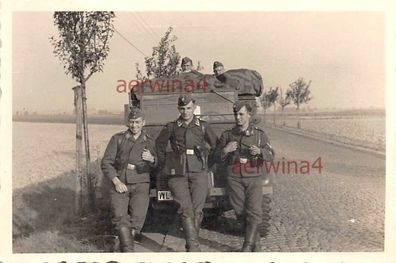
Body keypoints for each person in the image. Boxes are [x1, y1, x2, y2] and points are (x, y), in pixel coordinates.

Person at [155, 94, 218, 252]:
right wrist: (165, 163)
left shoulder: (203, 126)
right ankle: (193, 247)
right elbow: (159, 145)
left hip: (199, 172)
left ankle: (191, 245)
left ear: (194, 107)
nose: (185, 111)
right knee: (185, 208)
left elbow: (216, 147)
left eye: (188, 108)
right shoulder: (171, 126)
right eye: (182, 108)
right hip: (178, 173)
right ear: (178, 109)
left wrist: (208, 165)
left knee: (197, 210)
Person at [215, 101, 274, 252]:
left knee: (254, 210)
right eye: (235, 114)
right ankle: (257, 241)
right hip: (234, 178)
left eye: (241, 114)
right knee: (240, 211)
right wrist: (225, 150)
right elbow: (215, 157)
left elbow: (271, 154)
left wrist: (260, 152)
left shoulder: (259, 135)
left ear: (249, 114)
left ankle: (247, 245)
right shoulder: (227, 135)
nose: (238, 117)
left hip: (254, 176)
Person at [101, 107, 156, 252]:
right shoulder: (118, 139)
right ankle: (128, 252)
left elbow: (159, 164)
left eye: (137, 122)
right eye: (131, 122)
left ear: (143, 122)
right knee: (120, 217)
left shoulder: (149, 141)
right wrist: (116, 181)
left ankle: (125, 245)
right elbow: (106, 162)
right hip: (121, 182)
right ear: (127, 123)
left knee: (137, 220)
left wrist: (152, 159)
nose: (134, 126)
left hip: (141, 183)